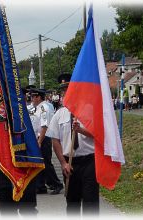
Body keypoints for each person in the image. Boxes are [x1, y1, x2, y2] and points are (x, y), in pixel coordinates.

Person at [46, 74, 99, 216]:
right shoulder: (59, 114)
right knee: (72, 203)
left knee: (90, 202)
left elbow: (98, 134)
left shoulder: (89, 109)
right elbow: (55, 140)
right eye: (64, 91)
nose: (66, 94)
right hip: (69, 163)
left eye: (69, 90)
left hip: (89, 161)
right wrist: (63, 163)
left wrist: (81, 130)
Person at [0, 87, 38, 215]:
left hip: (25, 166)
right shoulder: (0, 119)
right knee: (7, 209)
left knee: (28, 209)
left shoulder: (31, 118)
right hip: (6, 167)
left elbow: (34, 143)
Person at [29, 88, 63, 195]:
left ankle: (56, 184)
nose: (31, 99)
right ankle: (40, 186)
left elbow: (44, 126)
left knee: (46, 163)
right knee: (39, 163)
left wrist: (39, 141)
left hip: (43, 139)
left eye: (33, 97)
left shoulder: (44, 108)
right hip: (39, 138)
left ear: (38, 97)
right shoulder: (38, 108)